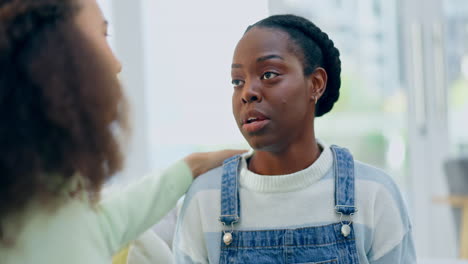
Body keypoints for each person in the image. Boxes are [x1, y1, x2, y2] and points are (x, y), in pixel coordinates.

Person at [0, 0, 243, 263]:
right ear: (54, 56)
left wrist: (190, 167)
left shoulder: (50, 197)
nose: (117, 64)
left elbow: (102, 225)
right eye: (102, 35)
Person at [173, 14, 416, 264]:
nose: (247, 92)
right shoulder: (205, 199)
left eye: (268, 74)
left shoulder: (374, 194)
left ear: (316, 84)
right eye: (238, 81)